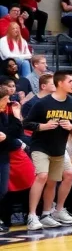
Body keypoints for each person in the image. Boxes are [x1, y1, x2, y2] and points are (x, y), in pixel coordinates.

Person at [23, 71, 72, 230]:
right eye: (70, 81)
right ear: (60, 83)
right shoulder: (42, 103)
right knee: (42, 176)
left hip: (59, 148)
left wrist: (71, 127)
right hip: (40, 146)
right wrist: (43, 126)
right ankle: (32, 215)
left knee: (52, 181)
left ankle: (47, 214)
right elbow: (26, 123)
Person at [0, 85, 23, 233]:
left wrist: (16, 116)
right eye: (5, 99)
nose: (8, 102)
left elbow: (14, 135)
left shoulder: (4, 114)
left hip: (3, 155)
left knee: (2, 190)